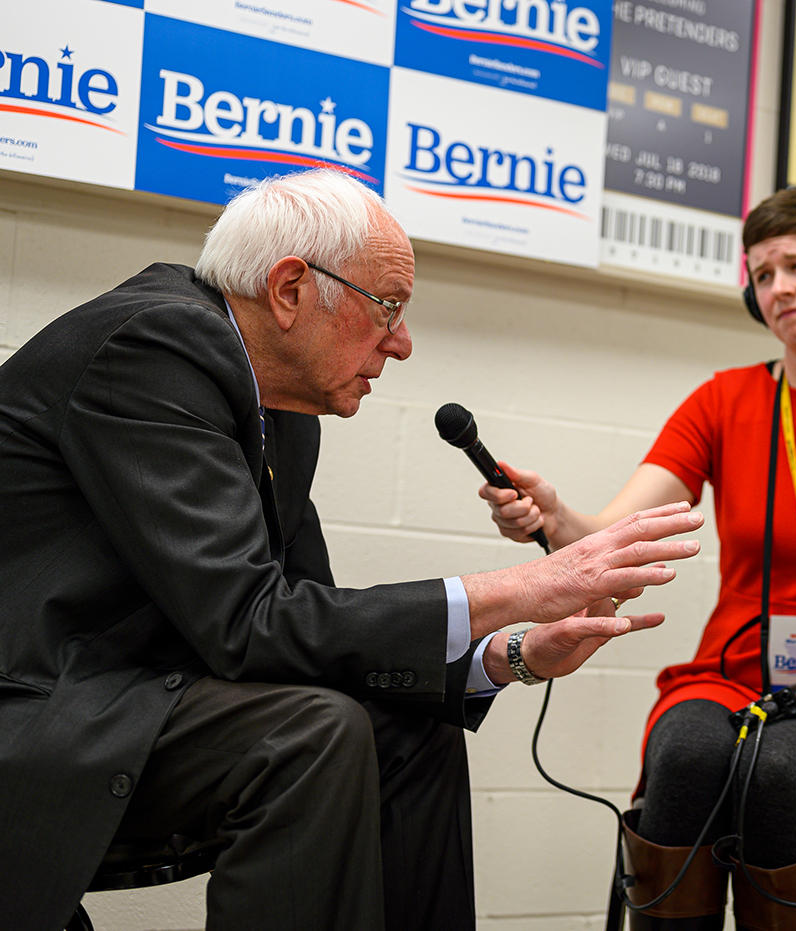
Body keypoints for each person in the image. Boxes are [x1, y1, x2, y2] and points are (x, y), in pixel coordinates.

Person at [0, 169, 705, 931]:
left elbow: (315, 633)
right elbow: (248, 623)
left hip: (134, 699)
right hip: (42, 710)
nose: (401, 343)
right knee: (313, 729)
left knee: (407, 728)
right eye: (388, 307)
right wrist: (527, 583)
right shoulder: (156, 344)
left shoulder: (281, 401)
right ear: (291, 288)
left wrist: (512, 653)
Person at [481, 187, 796, 929]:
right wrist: (557, 516)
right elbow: (608, 531)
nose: (777, 287)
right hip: (728, 672)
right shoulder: (725, 400)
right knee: (684, 758)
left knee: (775, 771)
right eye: (762, 272)